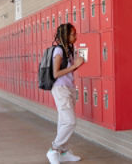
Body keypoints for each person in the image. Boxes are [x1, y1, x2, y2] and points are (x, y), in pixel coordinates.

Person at [46, 23, 84, 164]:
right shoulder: (59, 51)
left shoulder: (69, 49)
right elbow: (56, 73)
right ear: (65, 35)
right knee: (70, 121)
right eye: (73, 34)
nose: (75, 36)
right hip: (60, 89)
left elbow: (67, 72)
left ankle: (63, 152)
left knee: (63, 121)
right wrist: (75, 65)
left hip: (68, 88)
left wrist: (76, 65)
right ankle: (54, 149)